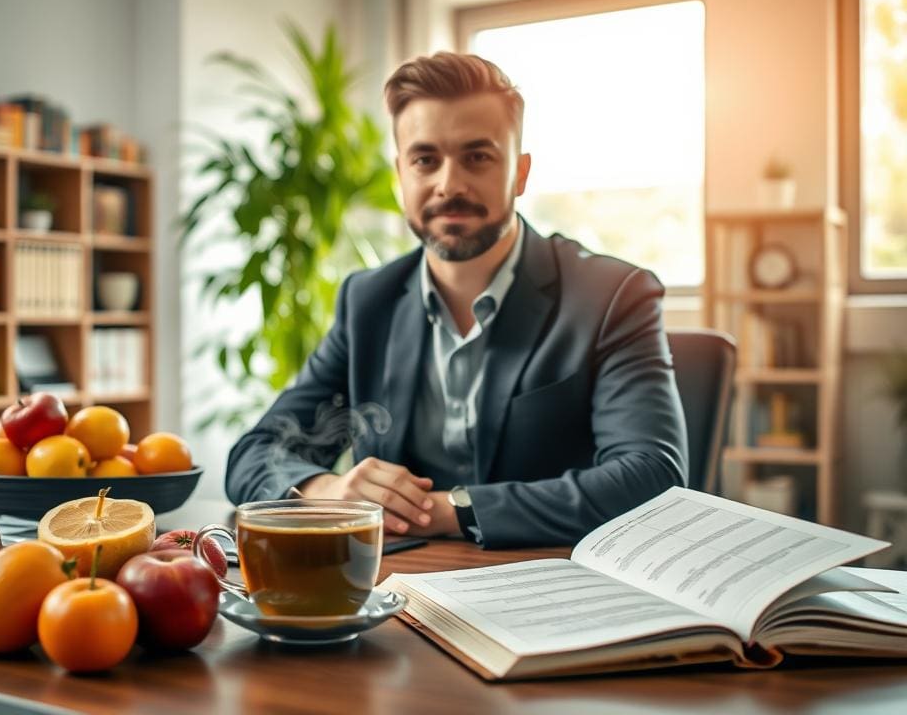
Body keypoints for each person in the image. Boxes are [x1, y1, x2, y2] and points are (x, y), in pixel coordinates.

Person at [225, 52, 687, 548]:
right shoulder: (368, 302)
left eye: (477, 157)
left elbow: (651, 477)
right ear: (400, 175)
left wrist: (450, 510)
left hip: (556, 585)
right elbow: (254, 453)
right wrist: (327, 489)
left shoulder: (613, 297)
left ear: (520, 173)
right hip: (404, 590)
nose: (449, 184)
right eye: (425, 160)